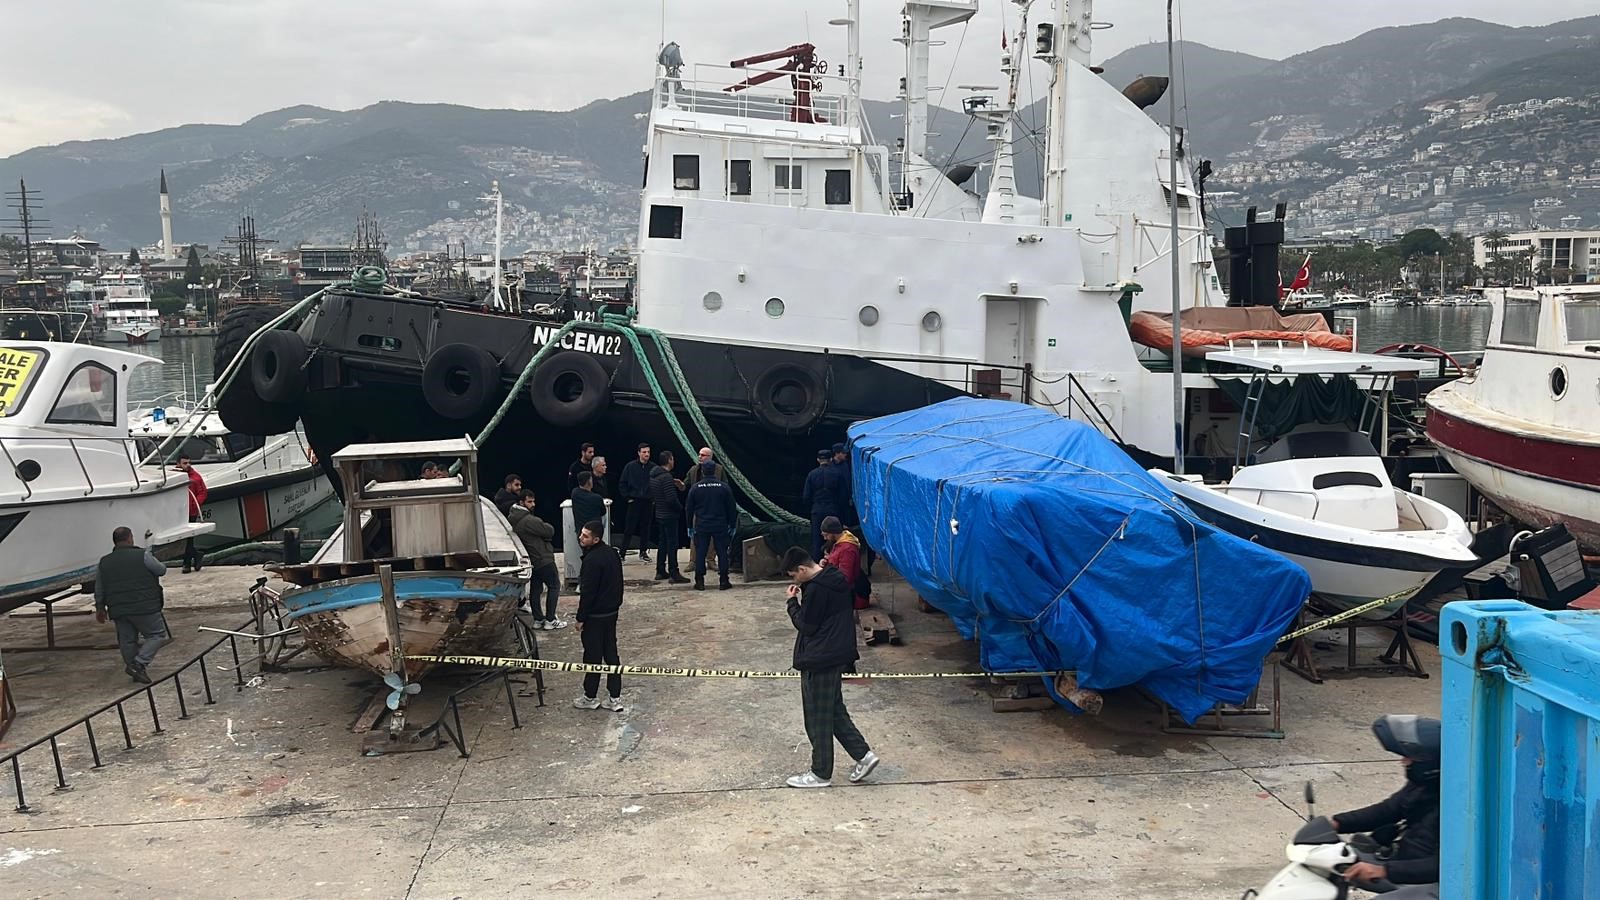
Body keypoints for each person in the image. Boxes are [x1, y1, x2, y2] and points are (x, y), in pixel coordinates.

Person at [781, 548, 880, 789]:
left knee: (817, 717)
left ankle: (820, 772)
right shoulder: (834, 577)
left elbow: (806, 625)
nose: (795, 580)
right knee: (834, 711)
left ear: (802, 569)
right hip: (836, 653)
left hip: (820, 657)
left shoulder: (817, 590)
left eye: (795, 575)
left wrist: (792, 602)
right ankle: (863, 755)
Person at [1327, 715, 1441, 898]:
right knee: (1328, 862)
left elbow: (1445, 865)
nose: (1403, 761)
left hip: (1432, 880)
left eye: (1409, 757)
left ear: (1430, 763)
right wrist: (1337, 823)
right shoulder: (1424, 786)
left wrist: (1385, 871)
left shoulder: (1459, 806)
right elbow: (1388, 810)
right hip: (1402, 860)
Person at [94, 526, 170, 683]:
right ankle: (139, 664)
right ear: (130, 539)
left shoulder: (104, 562)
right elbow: (161, 570)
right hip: (145, 606)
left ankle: (135, 670)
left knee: (127, 641)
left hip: (118, 608)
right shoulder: (143, 555)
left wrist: (100, 608)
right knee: (156, 635)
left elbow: (99, 587)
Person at [573, 520, 625, 711]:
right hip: (611, 613)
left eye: (585, 536)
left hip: (595, 617)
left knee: (592, 656)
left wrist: (580, 618)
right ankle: (615, 697)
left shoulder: (591, 560)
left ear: (596, 539)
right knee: (611, 654)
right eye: (581, 533)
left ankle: (590, 697)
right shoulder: (612, 553)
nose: (580, 538)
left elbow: (588, 593)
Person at [508, 490, 565, 630]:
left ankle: (538, 619)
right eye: (529, 501)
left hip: (532, 559)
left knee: (536, 589)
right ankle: (551, 619)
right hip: (543, 557)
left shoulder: (514, 518)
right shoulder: (528, 520)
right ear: (521, 502)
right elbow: (549, 530)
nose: (533, 504)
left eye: (533, 501)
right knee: (554, 586)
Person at [684, 459, 737, 591]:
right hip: (720, 525)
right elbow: (731, 508)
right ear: (714, 471)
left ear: (702, 471)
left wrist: (689, 526)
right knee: (722, 552)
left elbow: (689, 509)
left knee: (700, 553)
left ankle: (700, 581)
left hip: (702, 525)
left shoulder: (696, 488)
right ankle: (724, 580)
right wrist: (732, 524)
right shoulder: (724, 487)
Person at [649, 450, 691, 584]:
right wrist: (680, 509)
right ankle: (674, 572)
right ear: (669, 460)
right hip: (669, 515)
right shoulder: (666, 477)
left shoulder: (654, 476)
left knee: (662, 542)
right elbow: (671, 499)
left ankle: (660, 570)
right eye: (672, 459)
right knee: (672, 544)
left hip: (659, 513)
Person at [820, 516, 871, 610]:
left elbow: (846, 578)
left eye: (826, 535)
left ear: (833, 533)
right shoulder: (839, 543)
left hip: (852, 595)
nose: (825, 538)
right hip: (843, 589)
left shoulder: (847, 549)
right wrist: (826, 562)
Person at [802, 449, 843, 561]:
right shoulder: (837, 474)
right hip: (833, 510)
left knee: (816, 539)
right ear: (831, 459)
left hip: (817, 510)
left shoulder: (812, 474)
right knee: (834, 538)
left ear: (818, 460)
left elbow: (806, 496)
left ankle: (817, 563)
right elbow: (843, 495)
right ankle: (834, 561)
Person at [618, 443, 653, 562]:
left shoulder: (653, 467)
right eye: (644, 452)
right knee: (629, 528)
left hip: (647, 502)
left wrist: (653, 498)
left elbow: (657, 484)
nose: (647, 454)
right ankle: (622, 553)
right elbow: (622, 483)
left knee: (646, 528)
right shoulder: (630, 466)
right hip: (634, 501)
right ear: (639, 453)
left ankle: (643, 552)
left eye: (648, 452)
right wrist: (627, 497)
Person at [176, 453, 208, 573]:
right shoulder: (174, 476)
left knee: (188, 538)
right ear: (178, 464)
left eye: (189, 462)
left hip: (191, 512)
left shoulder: (196, 477)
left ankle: (187, 564)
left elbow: (203, 492)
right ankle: (196, 555)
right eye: (185, 463)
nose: (188, 465)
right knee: (183, 538)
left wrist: (195, 504)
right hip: (178, 512)